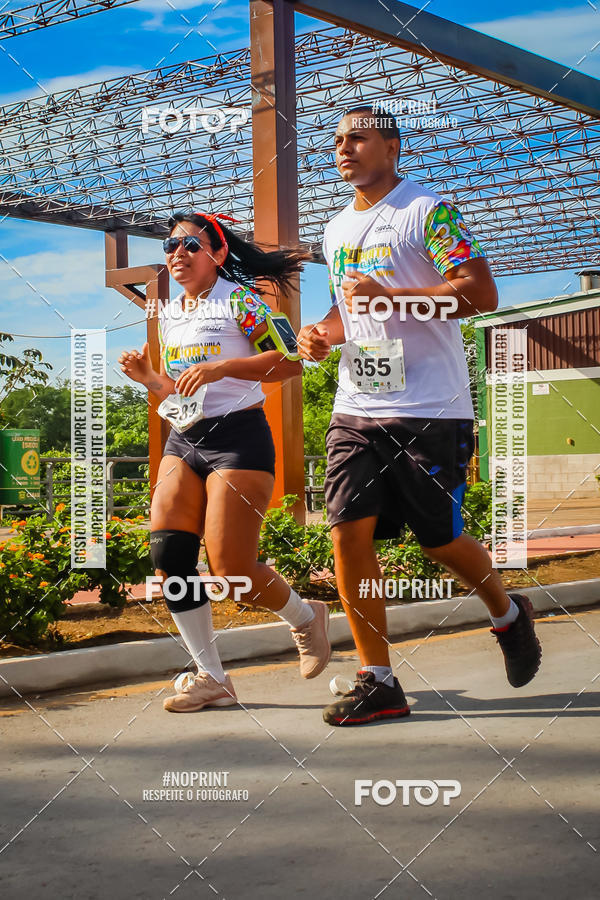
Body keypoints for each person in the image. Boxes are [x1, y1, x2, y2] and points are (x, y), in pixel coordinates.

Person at [298, 107, 542, 727]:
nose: (343, 148)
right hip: (357, 405)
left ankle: (507, 612)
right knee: (346, 533)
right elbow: (344, 309)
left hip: (430, 406)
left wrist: (391, 296)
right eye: (336, 140)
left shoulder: (426, 212)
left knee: (438, 541)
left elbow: (480, 294)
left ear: (392, 147)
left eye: (357, 137)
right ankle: (377, 678)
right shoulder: (334, 229)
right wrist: (321, 334)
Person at [119, 210, 331, 713]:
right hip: (185, 439)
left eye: (191, 245)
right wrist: (150, 379)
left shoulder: (242, 301)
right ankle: (212, 676)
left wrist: (222, 366)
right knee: (169, 553)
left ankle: (305, 617)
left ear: (216, 254)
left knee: (231, 570)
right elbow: (180, 394)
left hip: (239, 440)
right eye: (170, 246)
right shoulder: (169, 313)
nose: (177, 254)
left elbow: (289, 362)